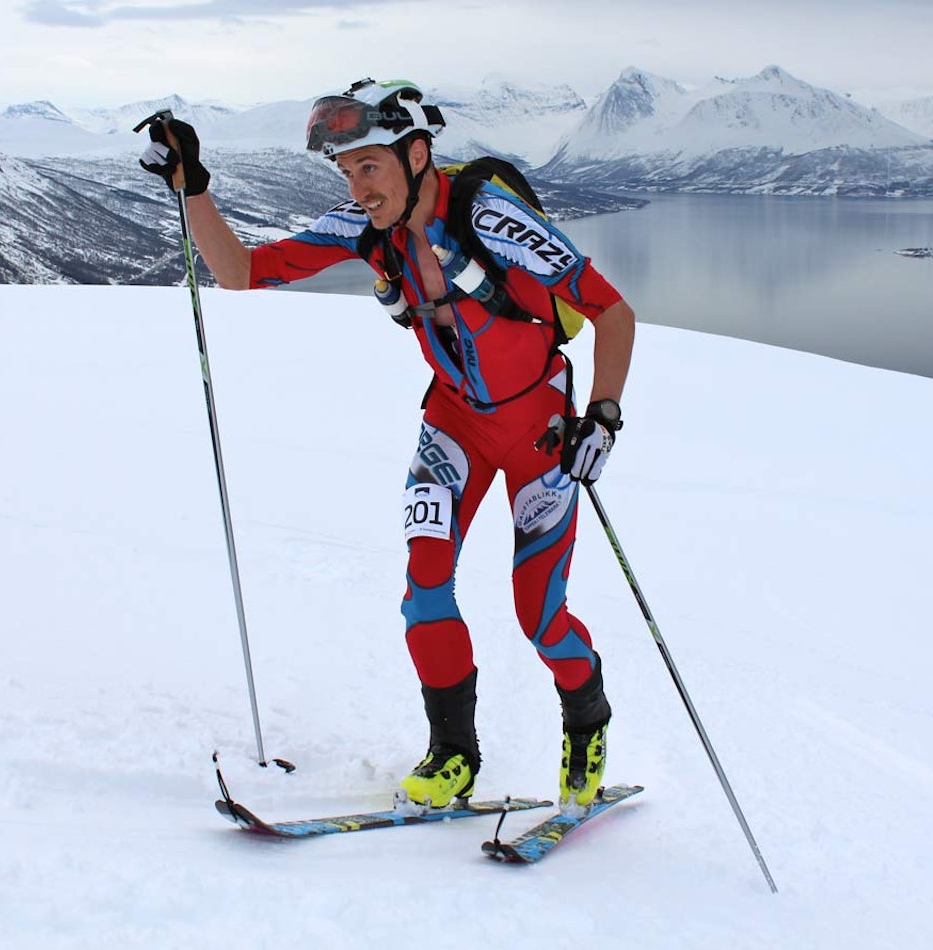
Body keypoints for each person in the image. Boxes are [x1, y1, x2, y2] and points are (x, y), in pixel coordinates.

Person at [139, 78, 635, 811]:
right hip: (455, 425)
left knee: (541, 614)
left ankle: (587, 721)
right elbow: (242, 271)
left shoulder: (491, 219)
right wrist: (194, 187)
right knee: (424, 586)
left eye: (368, 166)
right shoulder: (365, 228)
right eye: (345, 171)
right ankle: (452, 756)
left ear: (417, 153)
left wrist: (602, 416)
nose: (357, 186)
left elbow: (612, 310)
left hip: (540, 433)